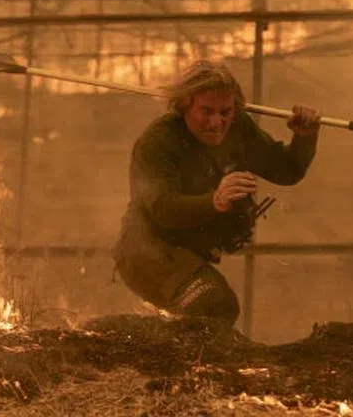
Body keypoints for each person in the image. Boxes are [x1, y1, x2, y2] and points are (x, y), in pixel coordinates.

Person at [113, 59, 321, 328]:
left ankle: (176, 364)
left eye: (225, 112)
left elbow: (285, 171)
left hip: (185, 253)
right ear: (184, 106)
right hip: (146, 252)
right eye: (206, 111)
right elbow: (162, 209)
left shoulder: (238, 127)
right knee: (213, 305)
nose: (216, 122)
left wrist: (305, 138)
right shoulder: (158, 142)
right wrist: (215, 201)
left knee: (212, 310)